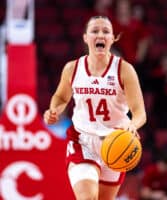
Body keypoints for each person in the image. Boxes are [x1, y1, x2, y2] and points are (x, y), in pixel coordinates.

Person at [43, 16, 146, 200]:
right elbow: (60, 97)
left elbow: (140, 113)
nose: (101, 34)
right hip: (82, 141)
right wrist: (54, 110)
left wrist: (132, 125)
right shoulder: (72, 68)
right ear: (85, 37)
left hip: (115, 142)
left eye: (106, 31)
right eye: (95, 31)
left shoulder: (124, 70)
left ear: (113, 38)